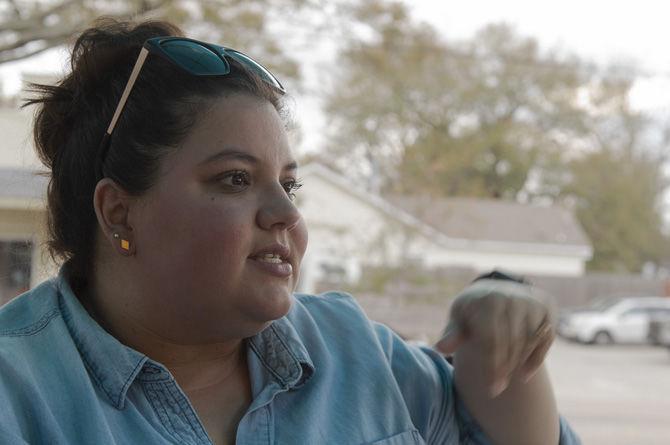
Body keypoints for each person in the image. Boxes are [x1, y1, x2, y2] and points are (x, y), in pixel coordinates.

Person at [0, 18, 581, 445]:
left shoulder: (355, 351)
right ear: (119, 212)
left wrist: (502, 321)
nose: (286, 212)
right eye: (234, 179)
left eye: (289, 184)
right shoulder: (19, 394)